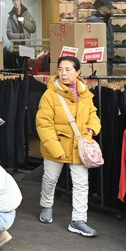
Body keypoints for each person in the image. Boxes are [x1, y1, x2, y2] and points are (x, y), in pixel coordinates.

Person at [36, 55, 102, 237]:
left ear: (78, 72)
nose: (63, 73)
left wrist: (91, 129)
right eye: (60, 69)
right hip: (56, 145)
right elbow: (43, 124)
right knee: (50, 179)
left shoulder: (85, 93)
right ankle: (46, 205)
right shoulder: (50, 94)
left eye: (68, 69)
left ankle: (78, 220)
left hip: (79, 145)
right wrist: (56, 149)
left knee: (81, 183)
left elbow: (93, 114)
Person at [86, 0, 115, 75]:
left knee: (108, 78)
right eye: (108, 7)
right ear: (101, 7)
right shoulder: (93, 21)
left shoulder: (105, 20)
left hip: (108, 57)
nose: (111, 9)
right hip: (100, 56)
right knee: (102, 78)